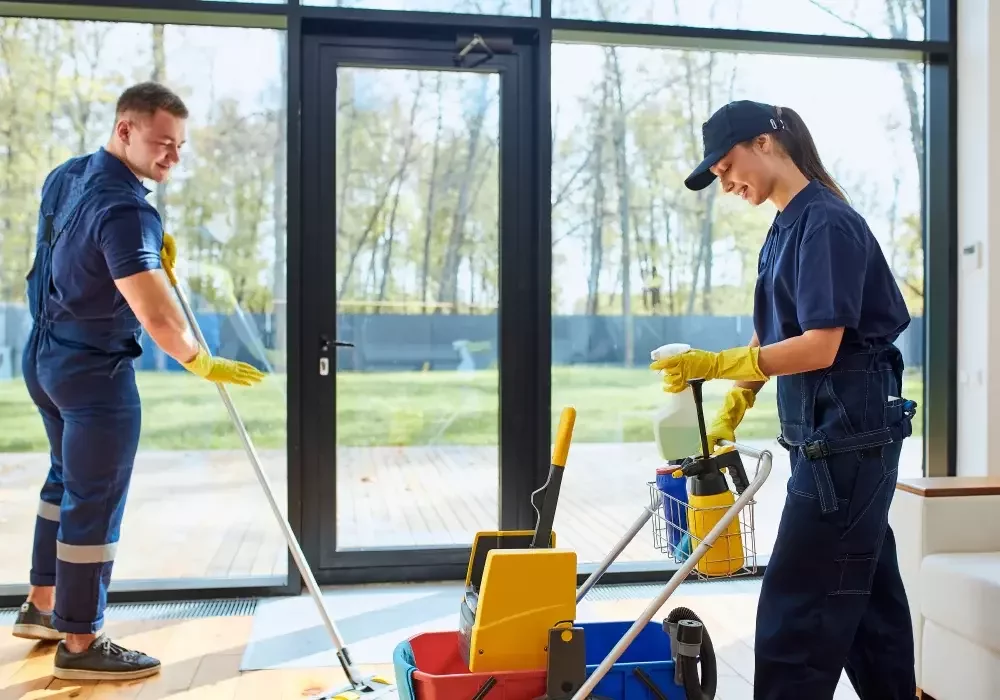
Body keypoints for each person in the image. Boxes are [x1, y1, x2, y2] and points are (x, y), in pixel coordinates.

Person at [652, 100, 917, 699]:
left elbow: (820, 346)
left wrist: (717, 366)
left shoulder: (826, 222)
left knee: (794, 614)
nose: (726, 184)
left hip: (845, 443)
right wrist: (734, 403)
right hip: (831, 441)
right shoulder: (789, 223)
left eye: (726, 167)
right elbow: (775, 333)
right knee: (867, 603)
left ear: (765, 143)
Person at [12, 81, 265, 681]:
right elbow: (157, 316)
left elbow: (72, 256)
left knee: (63, 482)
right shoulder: (128, 211)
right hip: (95, 375)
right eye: (162, 142)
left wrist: (144, 252)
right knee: (93, 503)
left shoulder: (66, 175)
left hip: (44, 359)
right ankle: (81, 640)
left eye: (179, 146)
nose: (173, 156)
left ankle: (42, 607)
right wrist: (201, 360)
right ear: (124, 130)